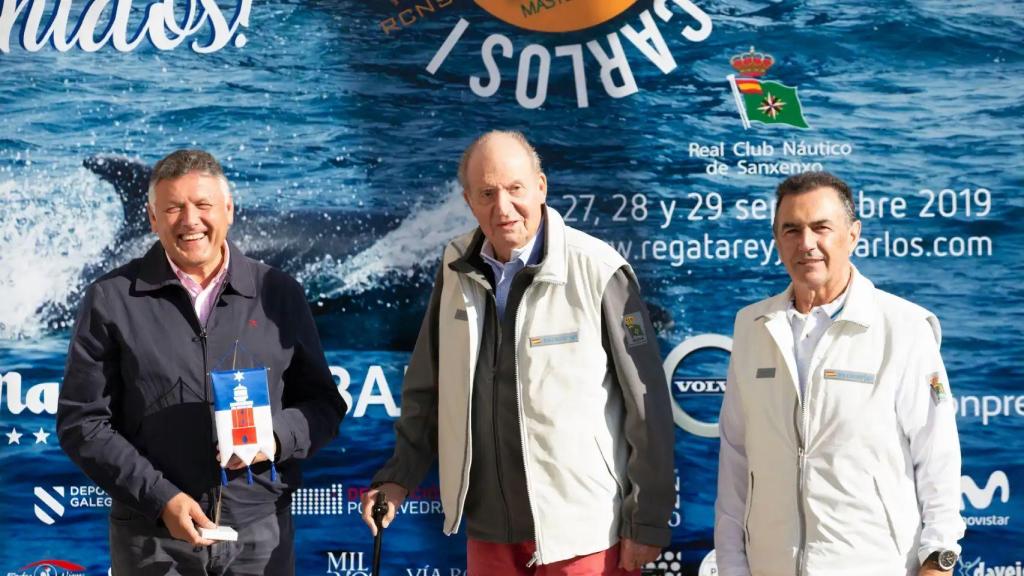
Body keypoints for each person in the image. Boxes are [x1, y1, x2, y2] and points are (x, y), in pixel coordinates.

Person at [360, 130, 675, 574]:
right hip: (489, 533)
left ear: (541, 187)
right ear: (468, 201)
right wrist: (397, 478)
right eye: (487, 193)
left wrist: (647, 522)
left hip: (581, 535)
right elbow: (427, 391)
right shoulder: (454, 269)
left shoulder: (599, 270)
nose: (502, 207)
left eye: (515, 189)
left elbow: (648, 408)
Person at [57, 149, 345, 575]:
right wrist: (160, 498)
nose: (189, 220)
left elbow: (324, 406)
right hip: (152, 539)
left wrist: (275, 437)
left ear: (228, 210)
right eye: (172, 208)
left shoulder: (279, 292)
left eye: (203, 205)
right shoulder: (110, 298)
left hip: (258, 536)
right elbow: (82, 423)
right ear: (152, 220)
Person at [714, 172, 965, 576]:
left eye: (820, 228)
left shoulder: (903, 327)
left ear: (853, 235)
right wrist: (731, 563)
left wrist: (938, 559)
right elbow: (736, 459)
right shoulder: (752, 326)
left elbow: (937, 456)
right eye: (791, 229)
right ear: (776, 241)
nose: (806, 243)